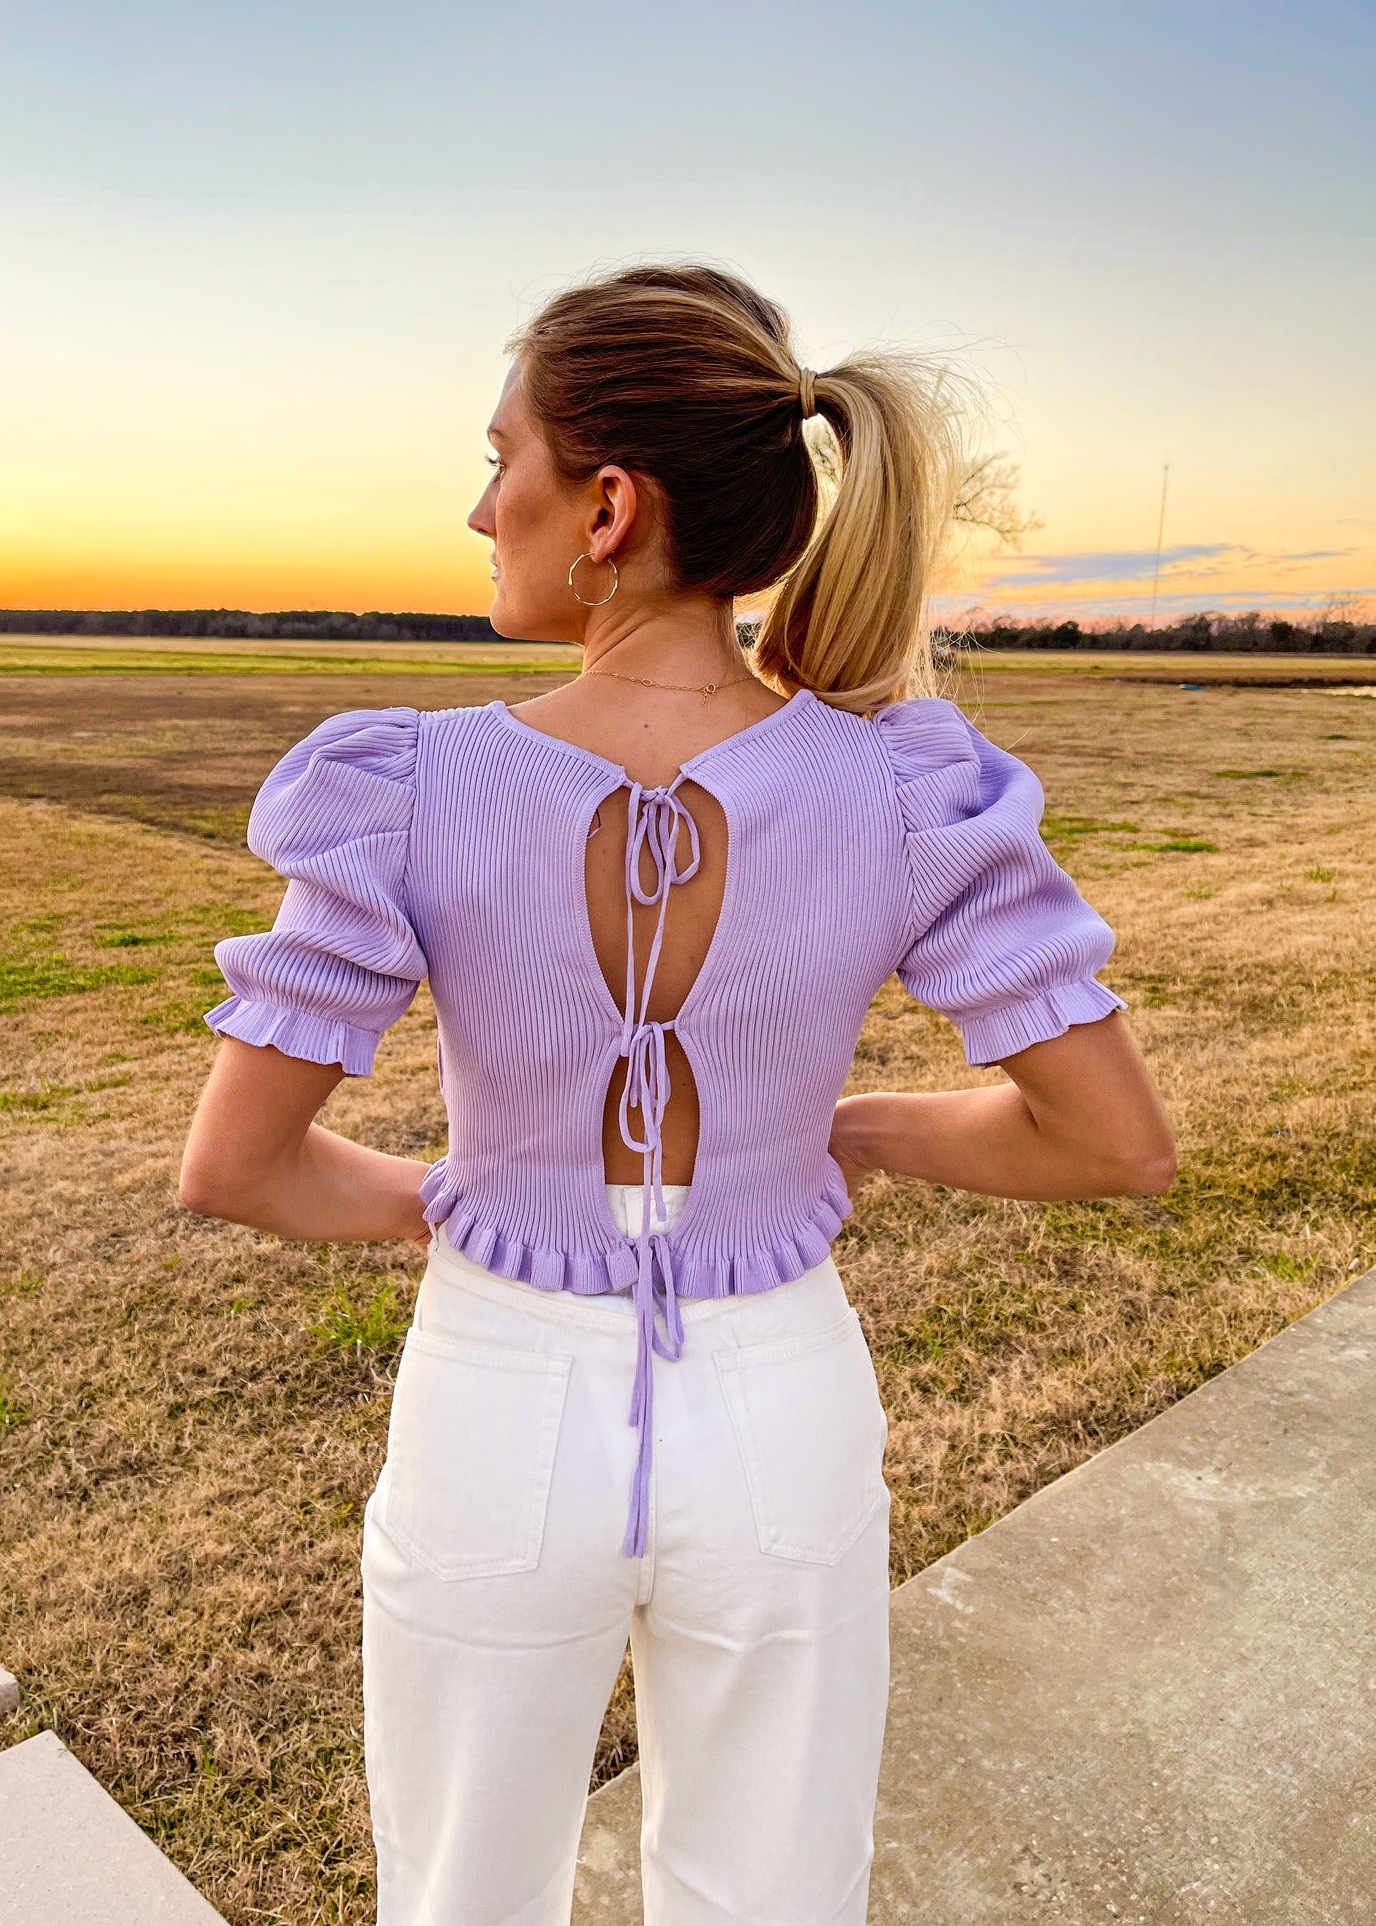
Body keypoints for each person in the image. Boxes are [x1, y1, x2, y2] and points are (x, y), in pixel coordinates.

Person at [179, 263, 1176, 1926]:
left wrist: (485, 1194)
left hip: (499, 1403)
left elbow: (239, 1168)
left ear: (607, 506)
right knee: (775, 1895)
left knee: (459, 1894)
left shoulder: (405, 790)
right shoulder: (905, 784)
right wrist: (848, 1128)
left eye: (503, 456)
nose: (476, 503)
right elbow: (1108, 1143)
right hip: (780, 1403)